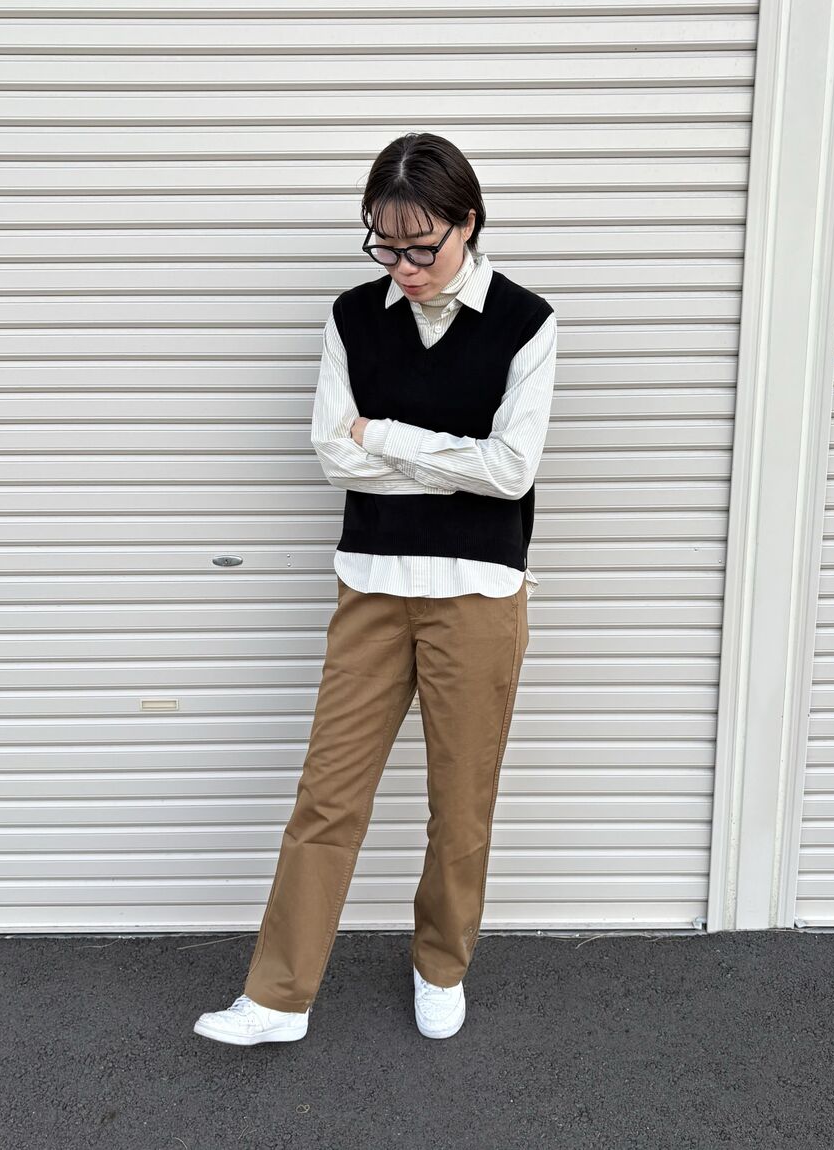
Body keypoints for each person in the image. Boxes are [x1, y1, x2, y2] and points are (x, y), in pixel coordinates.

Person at [194, 131, 558, 1045]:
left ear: (467, 224)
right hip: (371, 586)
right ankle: (278, 998)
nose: (403, 269)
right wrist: (448, 460)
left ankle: (441, 965)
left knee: (460, 804)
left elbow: (511, 470)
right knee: (328, 794)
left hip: (480, 592)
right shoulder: (353, 316)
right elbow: (332, 453)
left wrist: (385, 437)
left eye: (420, 248)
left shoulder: (526, 322)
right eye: (384, 247)